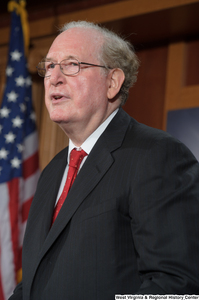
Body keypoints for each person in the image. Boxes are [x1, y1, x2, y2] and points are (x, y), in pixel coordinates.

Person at [9, 20, 199, 299]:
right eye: (49, 66)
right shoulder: (52, 172)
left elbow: (176, 285)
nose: (54, 77)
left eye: (72, 64)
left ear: (112, 82)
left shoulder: (157, 155)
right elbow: (35, 281)